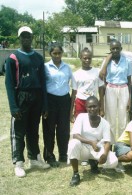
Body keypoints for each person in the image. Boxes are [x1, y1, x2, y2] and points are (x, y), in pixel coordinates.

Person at [5, 26, 50, 178]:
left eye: (28, 36)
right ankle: (18, 162)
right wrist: (13, 106)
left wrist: (44, 104)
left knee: (33, 130)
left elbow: (43, 83)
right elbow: (9, 84)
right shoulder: (13, 58)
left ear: (32, 38)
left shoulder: (38, 58)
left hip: (36, 97)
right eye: (23, 36)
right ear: (19, 38)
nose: (26, 39)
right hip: (21, 96)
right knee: (19, 131)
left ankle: (34, 158)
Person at [67, 96, 118, 186]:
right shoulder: (81, 117)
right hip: (83, 148)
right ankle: (75, 174)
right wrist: (91, 142)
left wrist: (105, 155)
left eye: (95, 106)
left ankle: (94, 163)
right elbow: (75, 135)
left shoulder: (105, 123)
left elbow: (107, 142)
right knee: (73, 143)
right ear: (86, 108)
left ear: (99, 106)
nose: (92, 109)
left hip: (96, 149)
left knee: (114, 161)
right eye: (89, 107)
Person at [42, 43, 72, 167]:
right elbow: (42, 87)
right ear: (50, 54)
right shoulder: (45, 67)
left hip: (64, 100)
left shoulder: (67, 67)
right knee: (49, 129)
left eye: (59, 53)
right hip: (50, 100)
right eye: (54, 53)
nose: (57, 55)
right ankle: (49, 156)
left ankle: (63, 154)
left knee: (63, 129)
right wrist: (44, 105)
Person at [102, 40, 132, 141]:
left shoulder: (127, 61)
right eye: (113, 49)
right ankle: (110, 143)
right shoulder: (106, 61)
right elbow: (102, 76)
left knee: (123, 118)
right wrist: (107, 61)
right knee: (110, 118)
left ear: (121, 49)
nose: (115, 50)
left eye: (117, 48)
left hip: (124, 89)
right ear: (110, 50)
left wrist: (130, 99)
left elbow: (129, 80)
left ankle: (121, 143)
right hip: (110, 89)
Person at [70, 48, 105, 123]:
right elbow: (73, 94)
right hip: (80, 102)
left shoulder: (97, 72)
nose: (87, 60)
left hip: (93, 102)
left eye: (89, 58)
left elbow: (101, 91)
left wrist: (102, 107)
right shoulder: (75, 74)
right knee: (80, 123)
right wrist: (71, 112)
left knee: (93, 123)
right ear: (80, 58)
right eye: (85, 58)